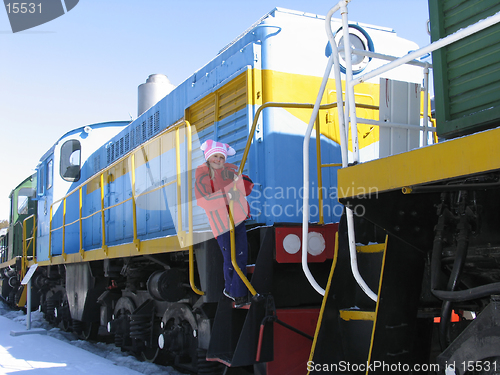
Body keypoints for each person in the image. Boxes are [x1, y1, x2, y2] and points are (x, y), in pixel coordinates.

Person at [195, 139, 254, 308]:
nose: (218, 160)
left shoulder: (231, 170)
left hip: (238, 219)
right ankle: (233, 291)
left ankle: (237, 293)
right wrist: (229, 195)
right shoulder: (203, 174)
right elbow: (204, 200)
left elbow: (247, 187)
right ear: (208, 158)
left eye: (221, 157)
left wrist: (241, 183)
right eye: (215, 156)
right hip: (221, 224)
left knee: (241, 256)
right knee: (230, 258)